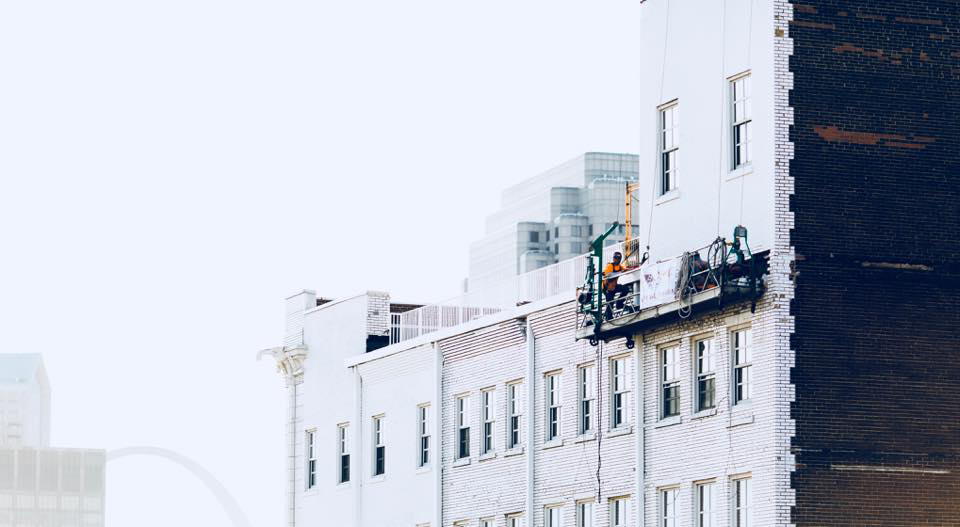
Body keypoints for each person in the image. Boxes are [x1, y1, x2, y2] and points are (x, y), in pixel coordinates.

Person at [602, 251, 631, 318]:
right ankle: (609, 318)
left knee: (626, 289)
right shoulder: (609, 266)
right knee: (610, 303)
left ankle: (619, 303)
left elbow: (625, 269)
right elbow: (607, 277)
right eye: (615, 258)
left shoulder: (620, 267)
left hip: (614, 287)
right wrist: (608, 289)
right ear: (613, 258)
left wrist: (630, 269)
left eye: (618, 259)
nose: (616, 260)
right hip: (607, 288)